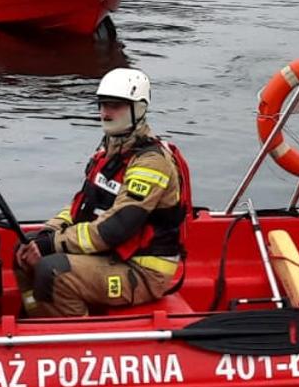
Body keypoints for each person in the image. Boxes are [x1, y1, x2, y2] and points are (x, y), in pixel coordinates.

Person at [15, 68, 193, 317]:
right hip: (112, 255)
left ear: (138, 108)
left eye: (115, 106)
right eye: (103, 104)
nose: (105, 112)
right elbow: (81, 207)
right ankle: (36, 318)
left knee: (53, 271)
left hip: (142, 270)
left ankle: (74, 336)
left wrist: (53, 244)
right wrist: (48, 232)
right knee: (23, 249)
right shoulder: (108, 151)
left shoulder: (151, 163)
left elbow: (115, 228)